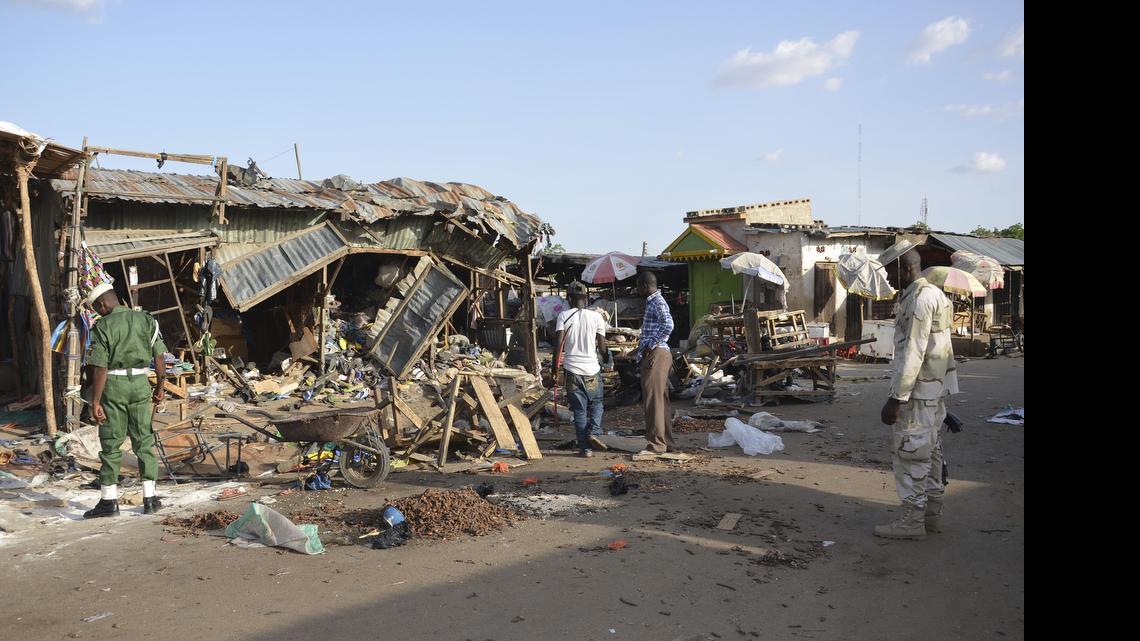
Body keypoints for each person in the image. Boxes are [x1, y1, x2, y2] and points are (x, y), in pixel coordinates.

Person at [875, 251, 959, 540]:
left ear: (904, 266)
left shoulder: (919, 300)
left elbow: (914, 351)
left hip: (918, 392)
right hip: (933, 389)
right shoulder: (934, 293)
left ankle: (912, 522)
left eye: (889, 270)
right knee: (931, 451)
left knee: (910, 453)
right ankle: (931, 515)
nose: (886, 276)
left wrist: (896, 399)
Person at [82, 282, 168, 518]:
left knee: (111, 443)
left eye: (96, 309)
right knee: (143, 442)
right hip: (141, 384)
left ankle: (109, 502)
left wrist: (95, 402)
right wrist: (160, 387)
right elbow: (159, 357)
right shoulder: (146, 320)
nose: (98, 313)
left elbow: (100, 367)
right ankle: (150, 498)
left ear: (101, 304)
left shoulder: (102, 326)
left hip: (114, 387)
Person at [553, 281, 609, 457]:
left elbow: (558, 346)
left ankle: (586, 449)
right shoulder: (597, 317)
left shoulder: (563, 316)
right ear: (586, 299)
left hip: (572, 371)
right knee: (598, 403)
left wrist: (555, 369)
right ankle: (594, 431)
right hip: (592, 369)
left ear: (569, 298)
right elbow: (602, 346)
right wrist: (607, 360)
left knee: (579, 410)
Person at [633, 271, 675, 455]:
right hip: (658, 353)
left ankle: (657, 444)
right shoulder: (654, 302)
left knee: (653, 400)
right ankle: (666, 441)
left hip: (656, 354)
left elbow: (668, 325)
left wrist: (650, 345)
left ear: (644, 286)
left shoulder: (657, 301)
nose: (637, 291)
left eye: (637, 287)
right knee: (660, 399)